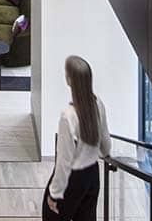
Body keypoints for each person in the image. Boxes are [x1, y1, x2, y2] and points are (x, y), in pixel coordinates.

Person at [44, 56, 111, 221]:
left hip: (73, 178)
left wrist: (55, 193)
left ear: (69, 80)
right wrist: (102, 154)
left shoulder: (68, 116)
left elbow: (64, 161)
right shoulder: (98, 104)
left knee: (51, 215)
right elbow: (105, 145)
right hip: (92, 174)